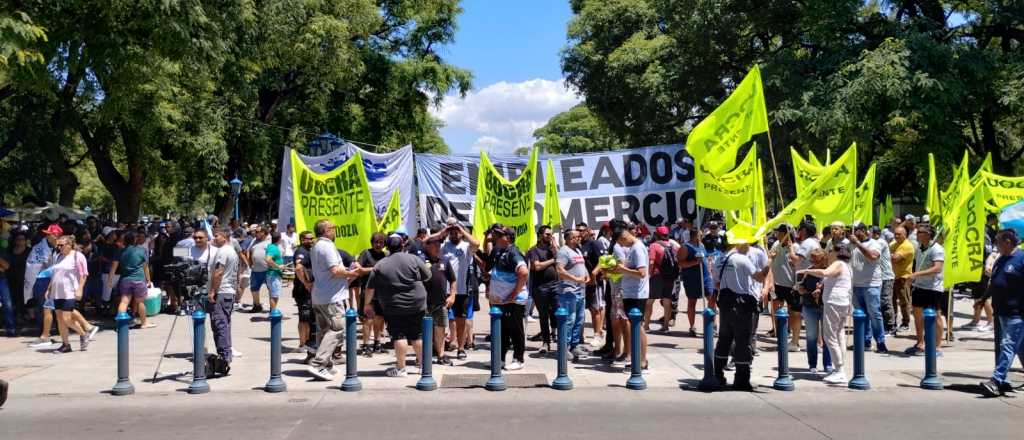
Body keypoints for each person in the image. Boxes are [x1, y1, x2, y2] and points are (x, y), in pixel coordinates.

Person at [364, 236, 431, 377]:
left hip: (394, 305)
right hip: (417, 303)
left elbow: (370, 288)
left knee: (399, 334)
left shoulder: (380, 264)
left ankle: (401, 368)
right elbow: (428, 275)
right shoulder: (413, 259)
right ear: (403, 245)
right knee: (417, 334)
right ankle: (424, 367)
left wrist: (367, 304)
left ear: (386, 247)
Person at [713, 237, 770, 390]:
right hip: (742, 305)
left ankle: (717, 375)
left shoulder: (719, 259)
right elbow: (760, 277)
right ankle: (741, 380)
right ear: (737, 244)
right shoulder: (741, 259)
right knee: (743, 342)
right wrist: (769, 263)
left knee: (724, 340)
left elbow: (716, 282)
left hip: (725, 304)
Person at [306, 220, 359, 381]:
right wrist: (353, 273)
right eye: (333, 228)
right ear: (326, 231)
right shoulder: (327, 246)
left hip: (321, 295)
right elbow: (335, 271)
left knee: (324, 331)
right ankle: (318, 364)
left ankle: (326, 364)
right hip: (331, 297)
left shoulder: (316, 246)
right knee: (337, 329)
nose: (335, 231)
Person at [798, 246, 853, 384]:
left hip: (834, 302)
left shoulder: (838, 263)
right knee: (839, 335)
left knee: (829, 337)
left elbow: (825, 273)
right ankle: (839, 368)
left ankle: (839, 370)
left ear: (837, 253)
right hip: (842, 302)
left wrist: (807, 270)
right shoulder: (847, 266)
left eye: (831, 252)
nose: (829, 254)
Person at [980, 229, 1024, 397]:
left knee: (1008, 346)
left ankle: (996, 380)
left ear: (1007, 242)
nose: (996, 245)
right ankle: (1004, 381)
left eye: (998, 242)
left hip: (1017, 313)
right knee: (1017, 347)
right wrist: (983, 298)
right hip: (1000, 312)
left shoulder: (1021, 259)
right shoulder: (1001, 258)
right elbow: (995, 282)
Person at [485, 224, 529, 370]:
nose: (496, 236)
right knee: (502, 330)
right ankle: (501, 359)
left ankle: (519, 359)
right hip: (502, 300)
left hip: (514, 301)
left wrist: (514, 293)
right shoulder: (500, 250)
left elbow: (523, 272)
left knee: (515, 329)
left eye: (500, 234)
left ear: (508, 238)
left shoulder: (513, 252)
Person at [608, 219, 650, 372]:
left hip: (637, 294)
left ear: (623, 238)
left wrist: (622, 269)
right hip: (631, 293)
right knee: (635, 327)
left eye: (621, 243)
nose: (621, 247)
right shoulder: (633, 247)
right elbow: (629, 268)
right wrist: (617, 270)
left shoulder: (637, 248)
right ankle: (638, 359)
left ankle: (643, 361)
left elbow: (641, 273)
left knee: (638, 328)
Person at [903, 225, 945, 356]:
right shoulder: (919, 248)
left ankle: (937, 346)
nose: (917, 234)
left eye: (920, 232)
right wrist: (912, 278)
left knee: (936, 315)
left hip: (933, 287)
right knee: (917, 315)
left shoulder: (937, 249)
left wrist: (916, 274)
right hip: (919, 286)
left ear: (928, 234)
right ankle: (920, 343)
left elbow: (937, 268)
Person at [441, 221, 481, 359]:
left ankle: (461, 348)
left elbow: (477, 244)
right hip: (445, 289)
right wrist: (444, 231)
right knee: (442, 320)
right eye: (451, 232)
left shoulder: (466, 247)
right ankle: (442, 348)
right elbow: (428, 243)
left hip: (462, 290)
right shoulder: (444, 246)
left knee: (461, 321)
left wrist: (462, 231)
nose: (454, 233)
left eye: (456, 231)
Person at [848, 222, 888, 352]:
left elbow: (873, 256)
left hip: (871, 285)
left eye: (855, 230)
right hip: (856, 284)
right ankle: (864, 341)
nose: (852, 233)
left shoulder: (874, 243)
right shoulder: (851, 244)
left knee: (874, 314)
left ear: (863, 230)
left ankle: (881, 342)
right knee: (860, 315)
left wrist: (858, 244)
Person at [46, 235, 90, 353]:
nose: (59, 247)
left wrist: (80, 289)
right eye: (58, 245)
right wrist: (49, 288)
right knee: (60, 319)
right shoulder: (58, 256)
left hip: (69, 292)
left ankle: (83, 333)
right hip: (57, 292)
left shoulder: (77, 256)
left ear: (69, 245)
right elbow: (54, 274)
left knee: (67, 318)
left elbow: (83, 274)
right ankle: (66, 344)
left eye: (61, 245)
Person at [796, 249, 833, 374]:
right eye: (811, 259)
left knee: (827, 337)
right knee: (811, 337)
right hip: (809, 306)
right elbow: (800, 286)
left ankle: (828, 364)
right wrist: (801, 289)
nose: (812, 262)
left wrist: (821, 291)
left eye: (815, 259)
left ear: (823, 259)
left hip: (826, 306)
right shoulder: (808, 271)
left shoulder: (829, 271)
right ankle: (812, 364)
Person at [556, 228, 590, 362]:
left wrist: (586, 274)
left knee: (579, 320)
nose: (579, 238)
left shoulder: (577, 250)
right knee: (569, 320)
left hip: (581, 291)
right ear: (569, 239)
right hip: (569, 291)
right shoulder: (564, 252)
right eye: (576, 237)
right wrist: (575, 279)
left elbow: (582, 265)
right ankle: (563, 348)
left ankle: (574, 345)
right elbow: (559, 270)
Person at [207, 228, 239, 366]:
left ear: (224, 237)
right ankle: (226, 353)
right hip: (228, 291)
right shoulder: (229, 251)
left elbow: (218, 272)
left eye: (216, 236)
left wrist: (212, 291)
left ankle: (224, 356)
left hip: (222, 291)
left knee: (219, 324)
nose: (214, 238)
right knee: (224, 324)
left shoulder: (224, 251)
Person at [353, 233, 388, 356]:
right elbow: (358, 269)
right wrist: (375, 269)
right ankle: (366, 345)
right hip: (368, 292)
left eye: (381, 242)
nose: (378, 245)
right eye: (376, 242)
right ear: (372, 243)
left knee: (379, 319)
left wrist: (368, 269)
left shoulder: (386, 255)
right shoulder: (365, 253)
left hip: (382, 293)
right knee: (368, 320)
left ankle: (377, 343)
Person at [526, 225, 559, 353]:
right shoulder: (534, 250)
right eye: (547, 234)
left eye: (551, 234)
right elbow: (537, 266)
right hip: (540, 288)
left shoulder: (553, 250)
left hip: (555, 286)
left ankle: (556, 335)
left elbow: (561, 259)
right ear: (540, 236)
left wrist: (555, 246)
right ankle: (546, 342)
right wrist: (552, 261)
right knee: (543, 315)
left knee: (557, 312)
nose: (549, 237)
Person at [27, 224, 61, 348]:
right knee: (44, 307)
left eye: (58, 234)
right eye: (54, 234)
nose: (56, 236)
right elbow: (33, 265)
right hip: (41, 279)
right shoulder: (38, 248)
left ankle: (53, 332)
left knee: (58, 307)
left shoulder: (59, 247)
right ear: (48, 235)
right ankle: (43, 332)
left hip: (55, 280)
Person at [423, 235, 456, 365]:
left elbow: (453, 280)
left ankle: (441, 355)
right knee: (424, 330)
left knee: (440, 329)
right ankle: (422, 355)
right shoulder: (420, 259)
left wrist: (452, 295)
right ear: (427, 246)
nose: (438, 247)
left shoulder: (445, 260)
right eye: (434, 245)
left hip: (441, 302)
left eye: (439, 245)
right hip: (423, 303)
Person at [768, 224, 800, 350]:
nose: (778, 235)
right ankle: (779, 333)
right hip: (777, 283)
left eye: (781, 233)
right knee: (775, 306)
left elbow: (797, 263)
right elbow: (770, 258)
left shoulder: (795, 247)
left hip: (791, 284)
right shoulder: (776, 244)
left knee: (792, 311)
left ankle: (792, 335)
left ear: (787, 233)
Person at [678, 226, 714, 336]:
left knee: (712, 298)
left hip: (706, 277)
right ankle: (692, 326)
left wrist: (709, 269)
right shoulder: (685, 247)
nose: (702, 236)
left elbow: (706, 259)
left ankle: (712, 324)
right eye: (700, 235)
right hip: (692, 279)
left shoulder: (702, 245)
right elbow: (680, 263)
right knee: (692, 302)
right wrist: (694, 263)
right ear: (695, 235)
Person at [116, 231, 155, 329]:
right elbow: (145, 267)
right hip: (139, 279)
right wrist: (148, 280)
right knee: (140, 302)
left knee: (124, 302)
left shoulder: (121, 251)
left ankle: (120, 324)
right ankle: (144, 323)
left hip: (125, 279)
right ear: (134, 240)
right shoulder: (141, 251)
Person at [577, 223, 606, 347]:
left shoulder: (594, 243)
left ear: (588, 231)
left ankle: (597, 334)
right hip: (583, 283)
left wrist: (595, 273)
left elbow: (603, 259)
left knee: (596, 309)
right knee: (583, 310)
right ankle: (580, 335)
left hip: (595, 282)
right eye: (577, 230)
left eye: (582, 230)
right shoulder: (579, 245)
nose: (579, 233)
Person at [647, 225, 678, 332]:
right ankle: (665, 326)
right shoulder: (672, 245)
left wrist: (648, 275)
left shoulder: (654, 245)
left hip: (657, 275)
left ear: (657, 235)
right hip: (670, 275)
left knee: (650, 301)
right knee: (667, 300)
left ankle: (646, 325)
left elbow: (651, 262)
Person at [291, 231, 317, 357]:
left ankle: (306, 343)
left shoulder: (310, 251)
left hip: (308, 291)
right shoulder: (301, 251)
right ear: (302, 240)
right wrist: (306, 283)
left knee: (309, 318)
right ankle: (302, 344)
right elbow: (298, 268)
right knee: (304, 318)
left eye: (313, 238)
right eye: (309, 239)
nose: (311, 241)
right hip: (302, 291)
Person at [890, 226, 915, 333]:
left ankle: (906, 323)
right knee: (891, 302)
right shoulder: (894, 244)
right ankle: (893, 322)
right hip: (892, 277)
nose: (896, 236)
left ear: (905, 235)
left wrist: (889, 254)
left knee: (904, 302)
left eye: (899, 234)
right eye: (895, 234)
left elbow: (895, 259)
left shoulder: (907, 246)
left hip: (903, 278)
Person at [872, 226, 897, 335]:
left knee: (886, 301)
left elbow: (872, 253)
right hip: (879, 277)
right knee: (879, 302)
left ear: (875, 234)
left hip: (886, 276)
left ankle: (890, 326)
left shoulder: (880, 242)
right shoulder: (875, 242)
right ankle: (883, 324)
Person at [246, 225, 270, 313]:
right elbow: (248, 250)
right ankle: (257, 306)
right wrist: (249, 262)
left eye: (257, 232)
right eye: (255, 231)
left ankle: (272, 307)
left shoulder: (270, 241)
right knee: (254, 288)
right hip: (255, 270)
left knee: (271, 289)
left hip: (268, 270)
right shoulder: (254, 240)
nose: (255, 233)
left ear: (263, 233)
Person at [263, 231, 285, 311]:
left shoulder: (271, 246)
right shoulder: (273, 248)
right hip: (274, 275)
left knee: (273, 295)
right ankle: (273, 314)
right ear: (279, 239)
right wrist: (278, 266)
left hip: (273, 274)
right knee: (274, 296)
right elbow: (268, 259)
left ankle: (272, 312)